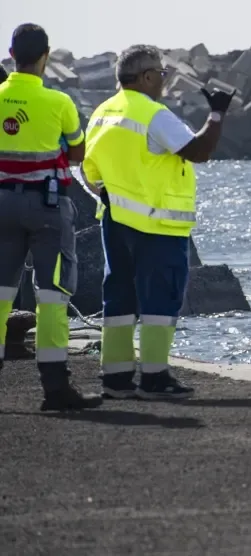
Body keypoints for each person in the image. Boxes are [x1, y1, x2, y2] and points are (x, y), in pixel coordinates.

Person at [81, 45, 236, 400]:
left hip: (115, 221)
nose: (164, 82)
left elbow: (88, 171)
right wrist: (216, 115)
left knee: (118, 297)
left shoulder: (102, 114)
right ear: (147, 77)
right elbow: (198, 152)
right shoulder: (153, 114)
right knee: (160, 299)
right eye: (162, 75)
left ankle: (116, 379)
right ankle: (154, 378)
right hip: (157, 225)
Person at [0, 24, 100, 410]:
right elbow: (77, 153)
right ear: (46, 56)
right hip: (46, 207)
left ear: (11, 53)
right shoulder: (58, 103)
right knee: (52, 296)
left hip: (2, 206)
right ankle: (57, 390)